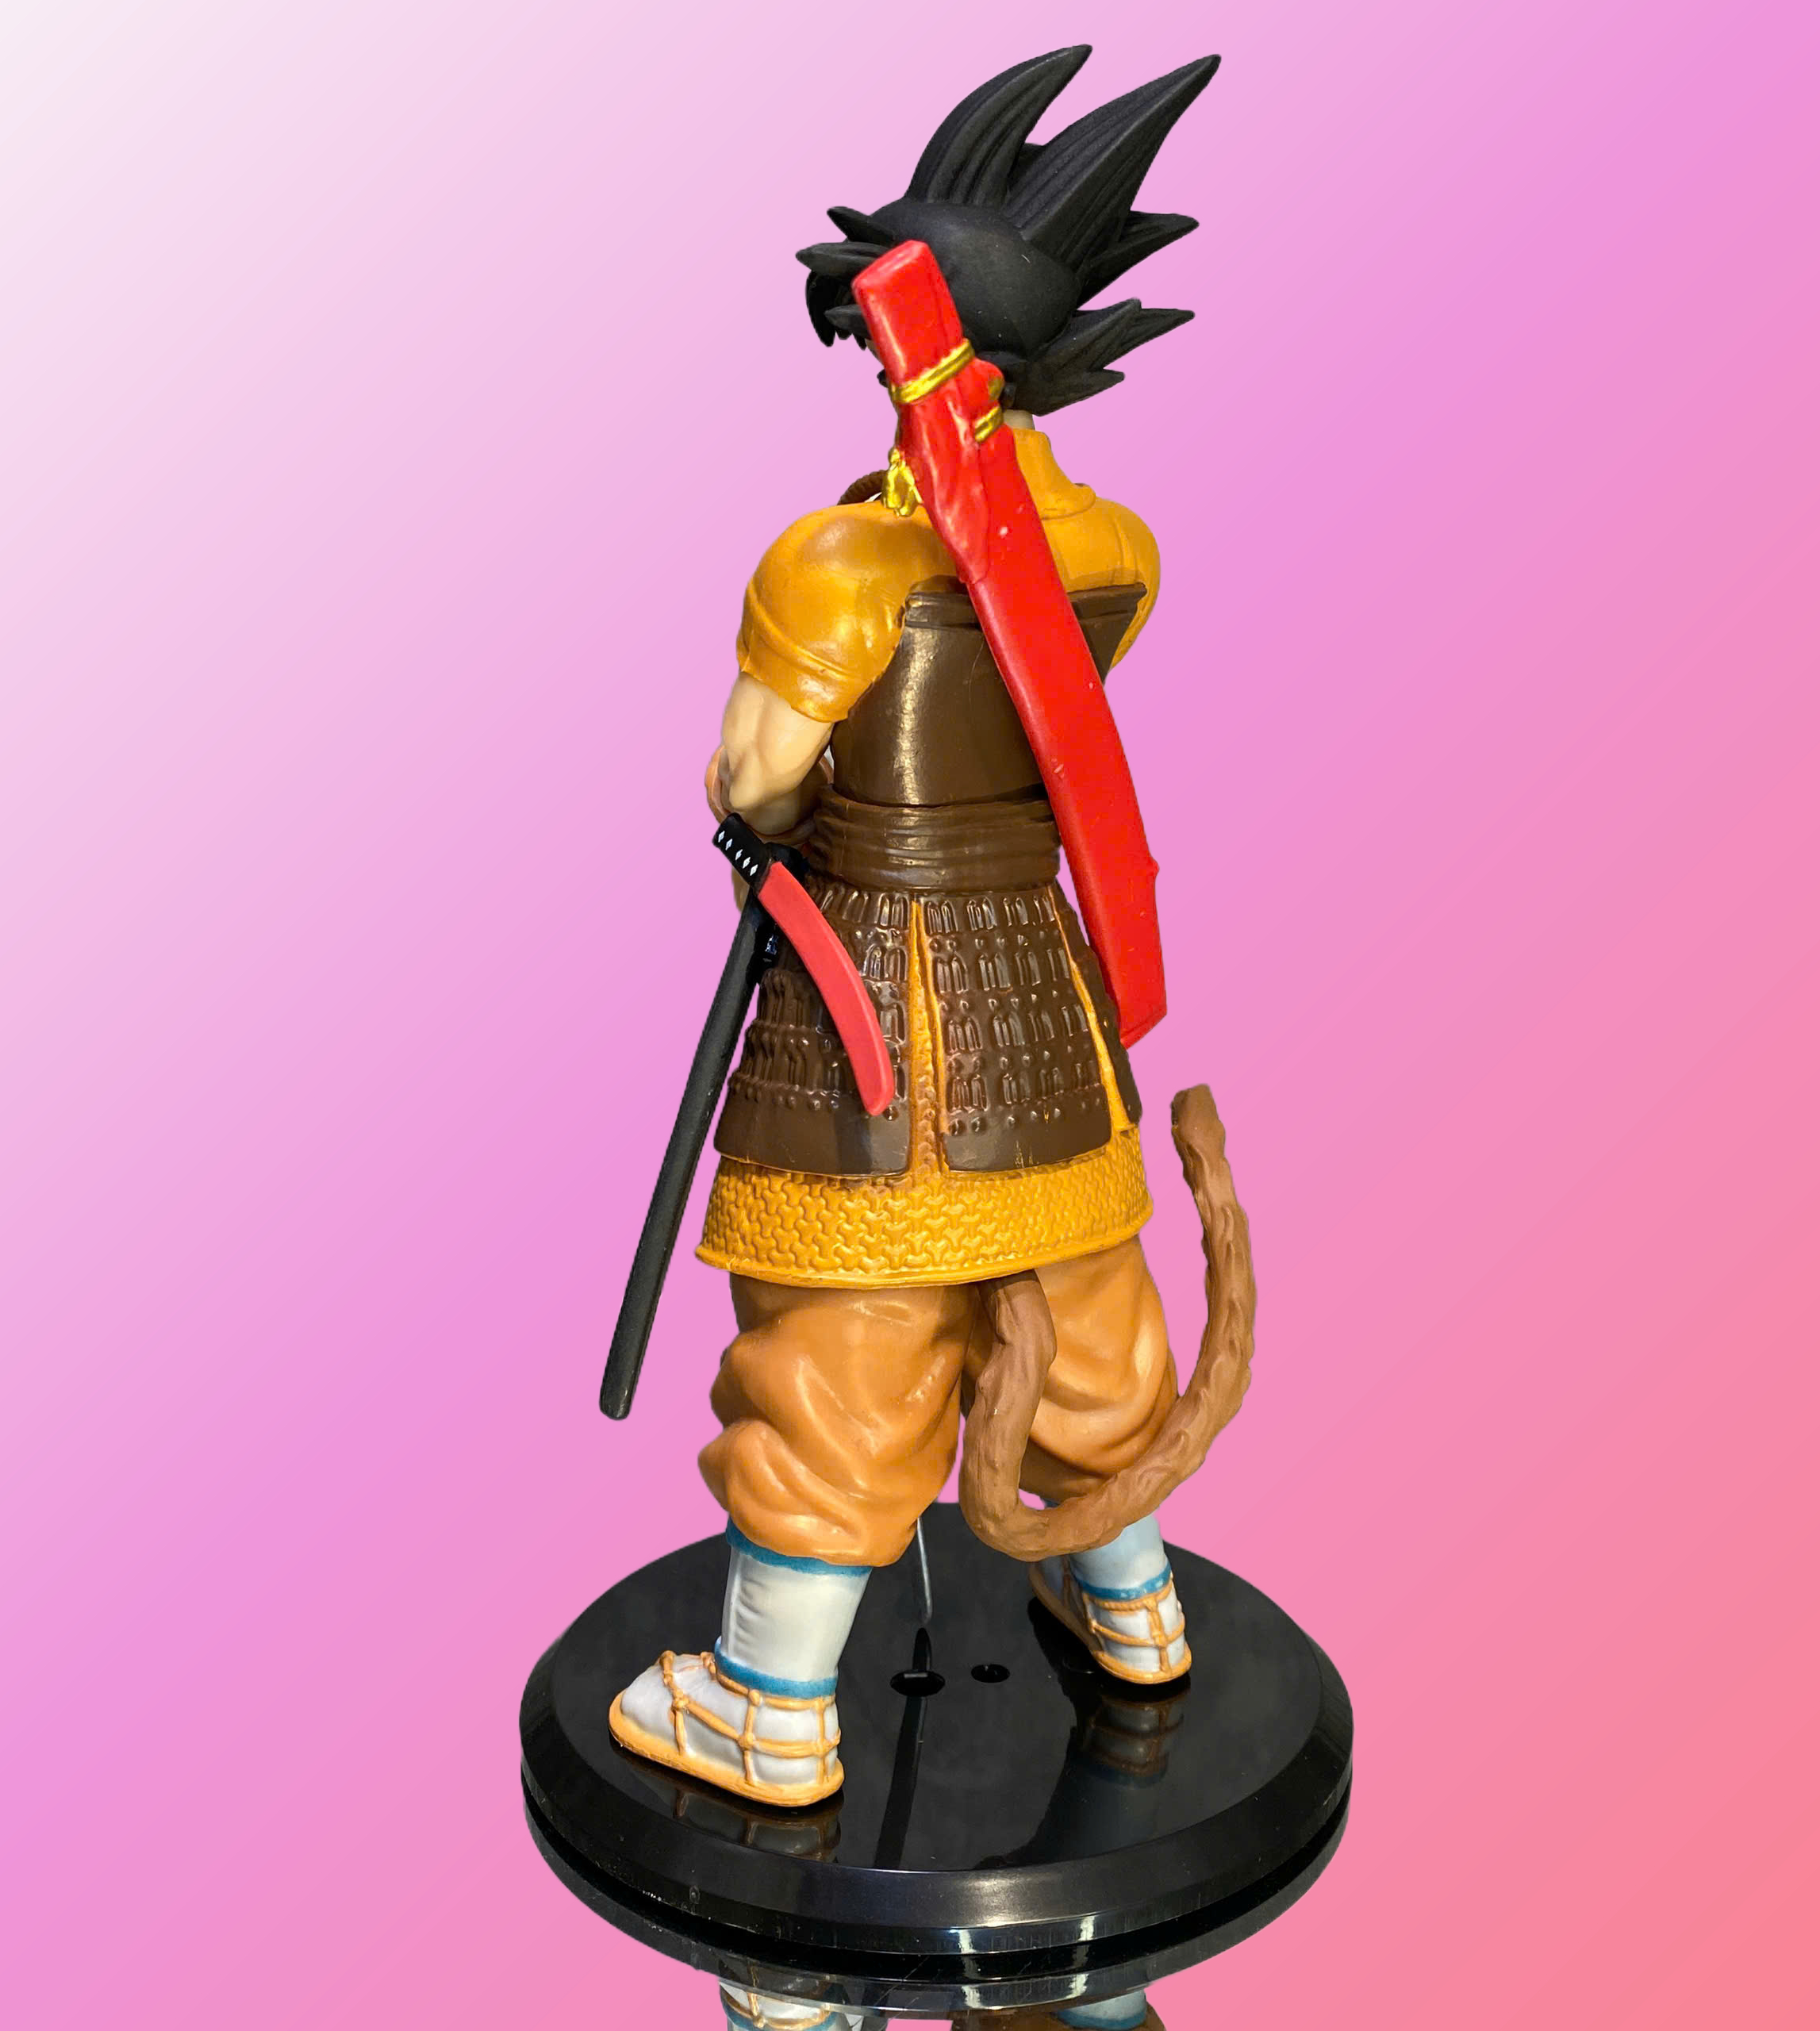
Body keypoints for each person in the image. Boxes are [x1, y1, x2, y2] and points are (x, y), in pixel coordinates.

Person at [610, 50, 1219, 1849]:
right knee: (1088, 1314)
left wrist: (757, 797)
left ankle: (769, 1706)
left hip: (868, 1009)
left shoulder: (834, 565)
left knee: (842, 1353)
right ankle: (1132, 1607)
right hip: (1044, 1010)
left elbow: (755, 772)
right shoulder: (1113, 551)